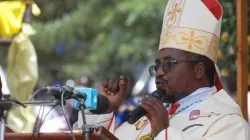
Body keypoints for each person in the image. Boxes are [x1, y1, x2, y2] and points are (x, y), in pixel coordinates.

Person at [75, 0, 250, 139]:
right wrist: (104, 112)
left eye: (168, 63)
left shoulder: (227, 123)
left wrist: (163, 134)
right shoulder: (146, 117)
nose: (159, 72)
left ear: (198, 70)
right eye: (158, 65)